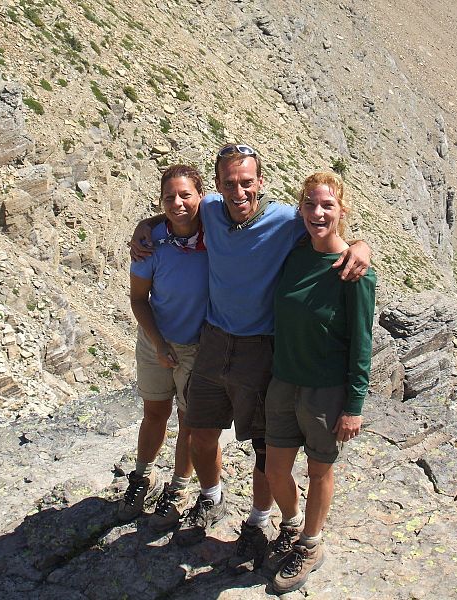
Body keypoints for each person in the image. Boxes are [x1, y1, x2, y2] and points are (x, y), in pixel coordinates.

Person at [130, 144, 371, 566]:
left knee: (264, 447)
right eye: (229, 184)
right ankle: (211, 497)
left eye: (247, 182)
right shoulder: (210, 212)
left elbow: (329, 229)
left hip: (261, 349)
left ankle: (258, 523)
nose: (239, 192)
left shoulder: (286, 220)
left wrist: (362, 246)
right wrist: (145, 226)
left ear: (261, 182)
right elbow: (178, 211)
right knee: (200, 432)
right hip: (214, 340)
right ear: (218, 187)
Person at [263, 172, 376, 594]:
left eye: (327, 205)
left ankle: (311, 544)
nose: (317, 213)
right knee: (276, 469)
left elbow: (361, 342)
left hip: (325, 390)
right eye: (310, 204)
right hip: (284, 381)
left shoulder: (355, 273)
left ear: (342, 211)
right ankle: (292, 527)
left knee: (319, 469)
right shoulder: (295, 253)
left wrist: (354, 406)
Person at [119, 164, 208, 531]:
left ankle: (180, 487)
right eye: (169, 197)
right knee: (155, 412)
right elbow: (139, 299)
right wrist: (157, 344)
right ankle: (142, 477)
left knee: (188, 420)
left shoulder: (218, 231)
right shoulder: (151, 243)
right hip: (157, 338)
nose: (178, 202)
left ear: (202, 196)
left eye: (186, 194)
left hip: (198, 345)